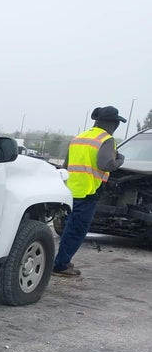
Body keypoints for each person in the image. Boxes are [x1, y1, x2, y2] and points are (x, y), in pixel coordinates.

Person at [53, 106, 126, 276]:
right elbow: (106, 164)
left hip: (71, 190)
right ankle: (61, 265)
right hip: (88, 191)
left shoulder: (79, 138)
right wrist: (120, 160)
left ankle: (61, 261)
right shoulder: (107, 139)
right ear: (113, 124)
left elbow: (66, 165)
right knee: (77, 230)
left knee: (70, 227)